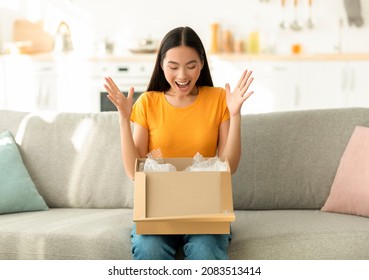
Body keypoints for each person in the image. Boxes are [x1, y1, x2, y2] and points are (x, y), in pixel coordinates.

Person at [103, 26, 254, 260]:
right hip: (157, 212)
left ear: (202, 63)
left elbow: (229, 166)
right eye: (173, 67)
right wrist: (124, 120)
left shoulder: (218, 100)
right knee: (148, 249)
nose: (182, 76)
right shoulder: (148, 103)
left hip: (205, 210)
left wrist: (235, 115)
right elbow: (134, 171)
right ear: (161, 65)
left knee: (206, 250)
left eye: (191, 66)